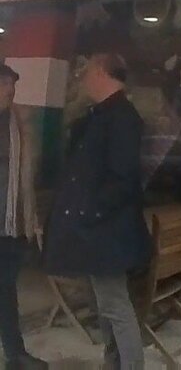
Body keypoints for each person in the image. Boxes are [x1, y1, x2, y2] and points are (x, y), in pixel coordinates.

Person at [43, 54, 151, 370]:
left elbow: (122, 179)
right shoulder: (101, 114)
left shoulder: (121, 117)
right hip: (99, 231)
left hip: (106, 232)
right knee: (106, 307)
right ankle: (113, 363)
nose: (82, 77)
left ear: (102, 72)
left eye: (87, 70)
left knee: (115, 306)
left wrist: (88, 212)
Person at [0, 64, 45, 369]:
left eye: (12, 85)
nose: (11, 91)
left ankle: (15, 353)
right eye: (4, 85)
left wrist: (32, 218)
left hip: (11, 224)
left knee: (6, 290)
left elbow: (29, 178)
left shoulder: (20, 123)